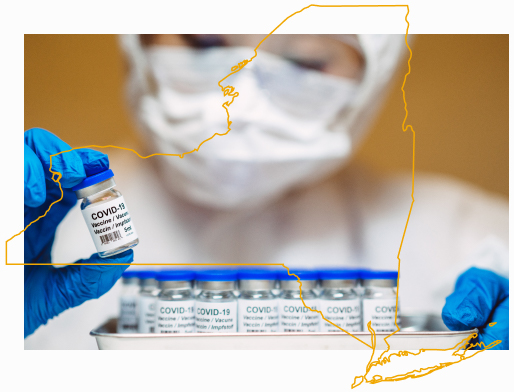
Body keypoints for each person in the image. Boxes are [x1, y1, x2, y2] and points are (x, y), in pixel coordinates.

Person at [24, 34, 508, 349]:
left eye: (306, 61)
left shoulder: (478, 238)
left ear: (374, 75)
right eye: (204, 42)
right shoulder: (31, 226)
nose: (242, 101)